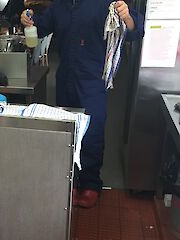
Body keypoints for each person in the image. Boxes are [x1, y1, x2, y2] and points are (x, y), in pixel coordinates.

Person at [21, 0, 144, 208]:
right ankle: (71, 181)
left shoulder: (106, 4)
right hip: (65, 77)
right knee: (68, 131)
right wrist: (28, 20)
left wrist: (128, 18)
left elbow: (134, 31)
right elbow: (42, 27)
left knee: (92, 132)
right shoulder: (59, 6)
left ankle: (91, 184)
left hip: (92, 80)